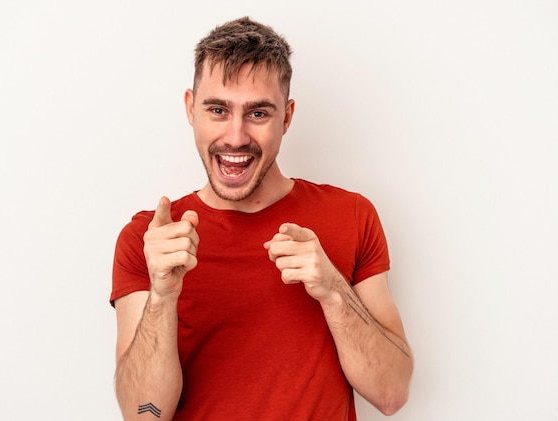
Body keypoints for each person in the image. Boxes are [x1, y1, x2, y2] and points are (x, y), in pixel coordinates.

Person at [110, 16, 413, 421]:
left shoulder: (353, 215)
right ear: (190, 108)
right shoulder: (149, 240)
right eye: (218, 109)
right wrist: (163, 298)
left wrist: (333, 290)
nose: (235, 137)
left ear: (286, 117)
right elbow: (143, 416)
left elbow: (391, 394)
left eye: (258, 114)